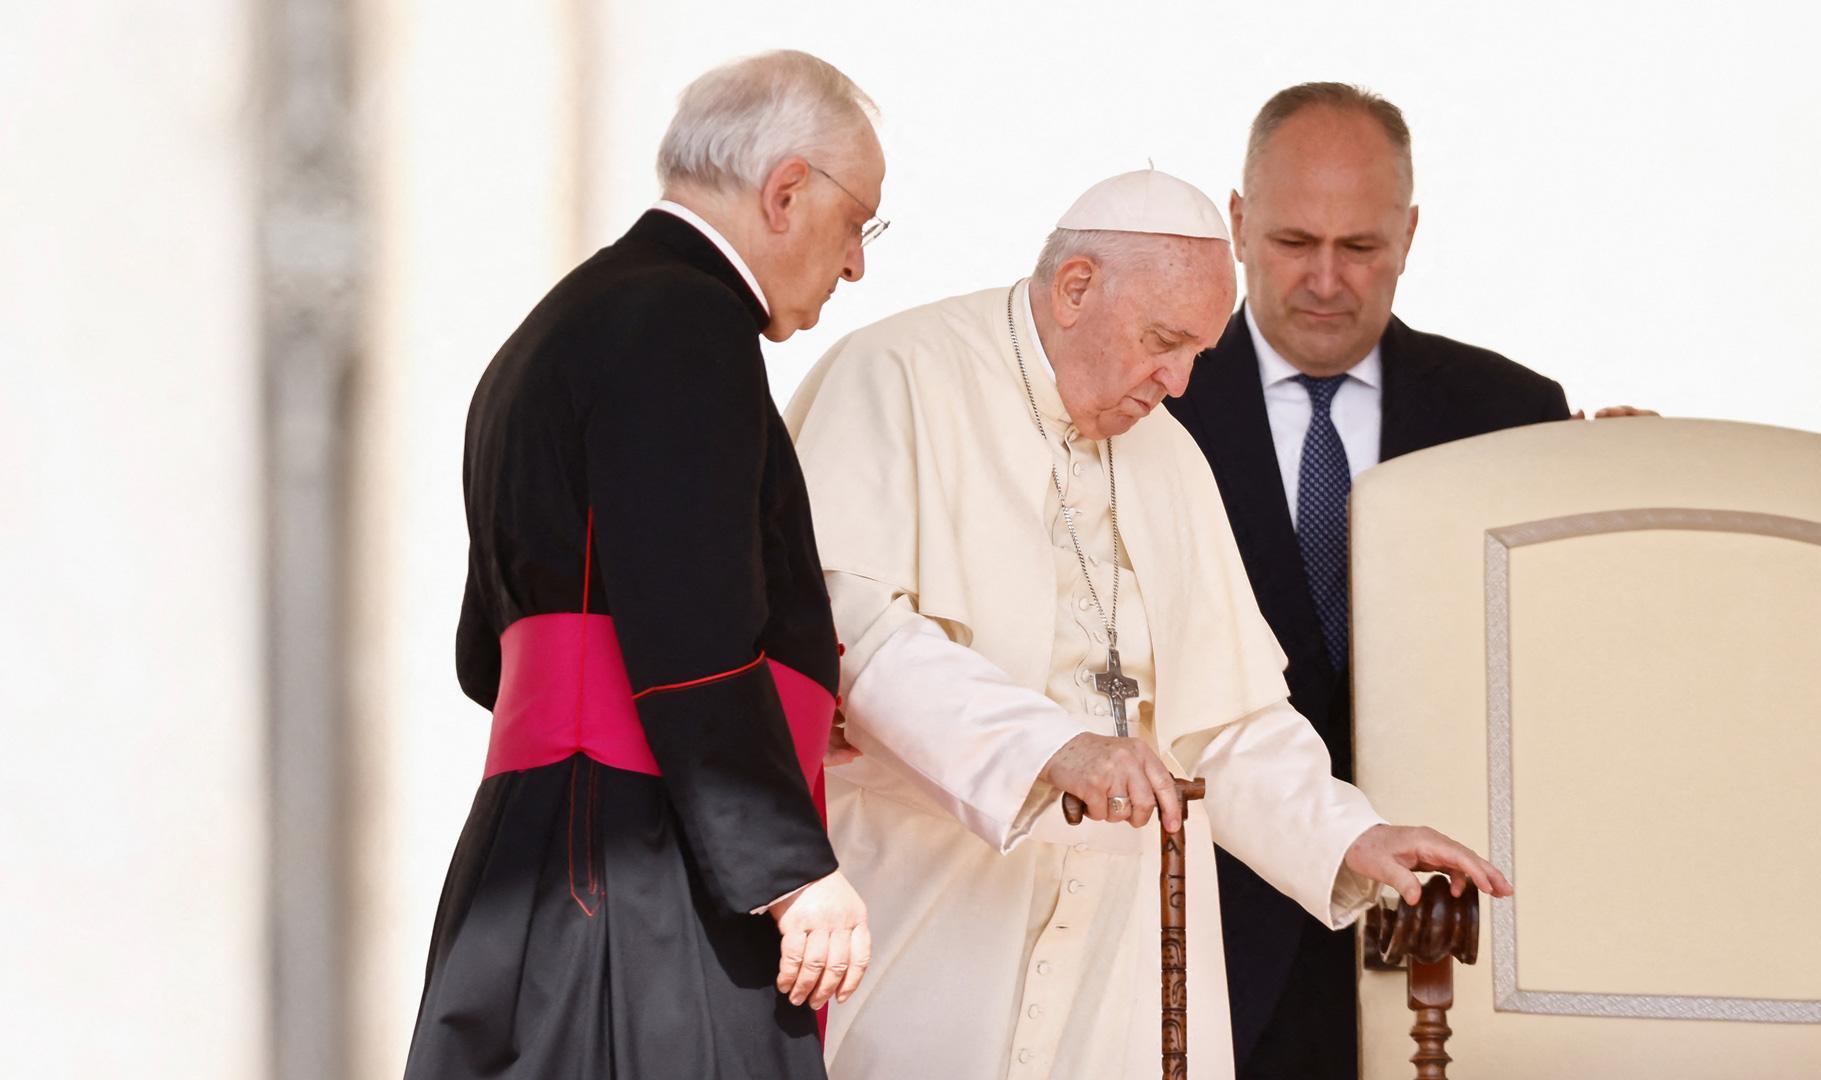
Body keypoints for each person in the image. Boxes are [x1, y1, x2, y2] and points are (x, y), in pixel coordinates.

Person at [785, 168, 1512, 1080]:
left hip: (1125, 932)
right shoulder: (898, 375)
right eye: (1163, 343)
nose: (1177, 382)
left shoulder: (1165, 452)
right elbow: (857, 637)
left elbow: (1226, 722)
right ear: (1076, 288)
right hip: (936, 901)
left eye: (1198, 354)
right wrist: (1053, 751)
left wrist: (1350, 837)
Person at [404, 50, 887, 1080]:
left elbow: (493, 660)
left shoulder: (562, 322)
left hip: (546, 849)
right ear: (787, 191)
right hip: (640, 869)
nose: (855, 264)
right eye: (859, 224)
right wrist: (791, 871)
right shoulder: (683, 326)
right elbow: (689, 625)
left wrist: (792, 704)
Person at [1164, 81, 1649, 1078]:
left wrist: (1622, 517)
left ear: (1411, 233)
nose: (1329, 281)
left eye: (1363, 247)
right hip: (1205, 938)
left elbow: (1569, 667)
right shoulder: (1151, 404)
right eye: (1297, 243)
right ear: (1240, 224)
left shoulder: (1512, 411)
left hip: (1438, 945)